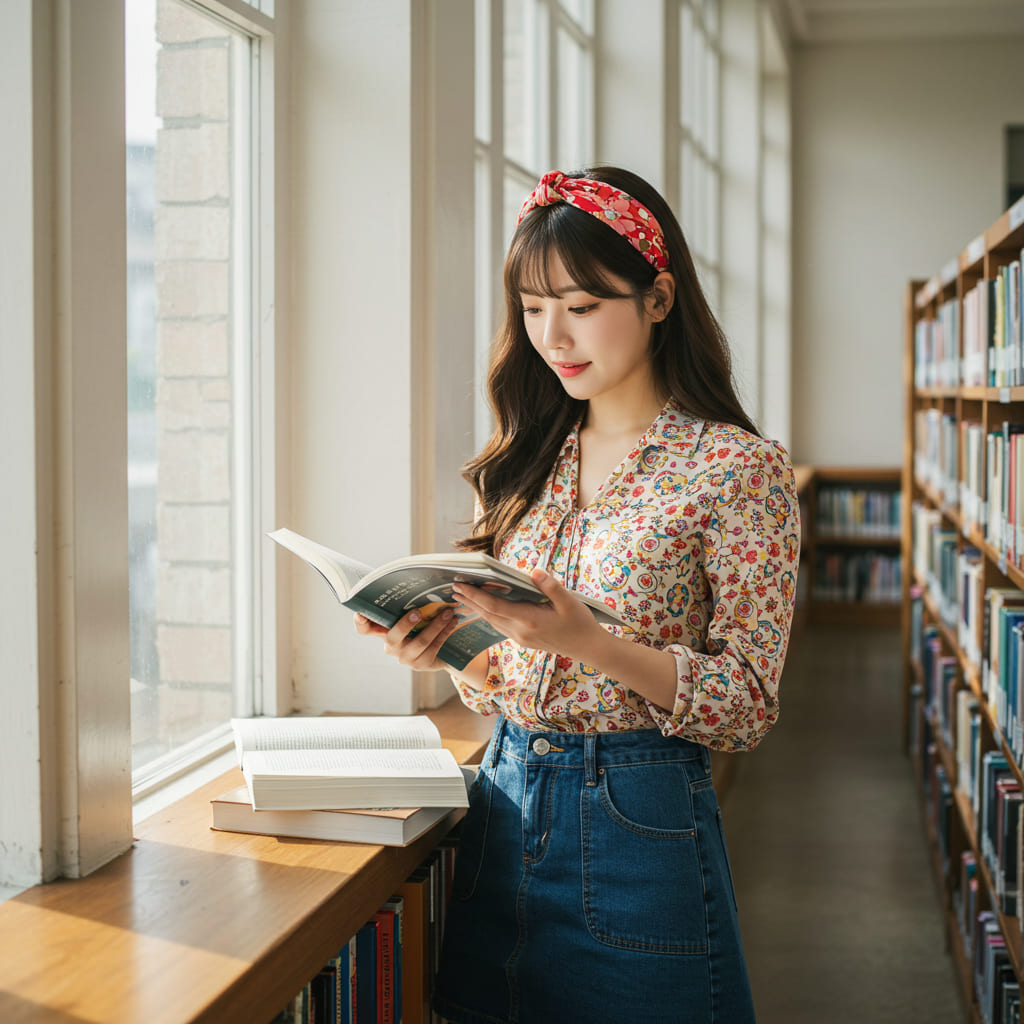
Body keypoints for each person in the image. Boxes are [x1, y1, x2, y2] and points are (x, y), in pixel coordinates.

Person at [354, 166, 800, 1024]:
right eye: (530, 307)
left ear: (659, 297)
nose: (552, 335)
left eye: (582, 305)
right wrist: (450, 650)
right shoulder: (525, 459)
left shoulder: (737, 469)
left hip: (642, 825)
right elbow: (506, 671)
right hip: (502, 806)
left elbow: (748, 705)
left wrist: (590, 642)